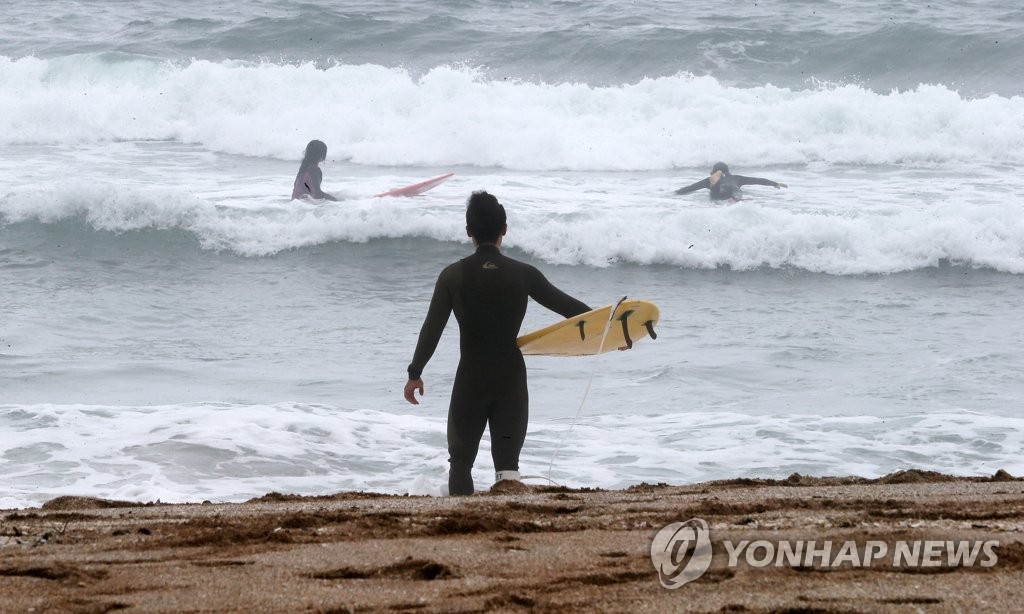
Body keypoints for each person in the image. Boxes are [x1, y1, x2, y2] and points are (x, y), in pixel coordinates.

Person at [403, 191, 591, 496]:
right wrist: (618, 331)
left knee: (461, 463)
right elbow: (571, 310)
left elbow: (432, 329)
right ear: (504, 228)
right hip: (510, 380)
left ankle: (462, 529)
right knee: (508, 467)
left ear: (468, 231)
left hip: (471, 380)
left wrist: (415, 372)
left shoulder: (453, 275)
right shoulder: (524, 274)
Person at [675, 162, 787, 202]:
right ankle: (734, 200)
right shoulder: (738, 178)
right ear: (728, 171)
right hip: (732, 191)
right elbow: (757, 180)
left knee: (714, 195)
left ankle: (714, 186)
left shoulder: (707, 181)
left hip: (717, 193)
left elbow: (690, 188)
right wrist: (774, 183)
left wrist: (676, 193)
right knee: (736, 194)